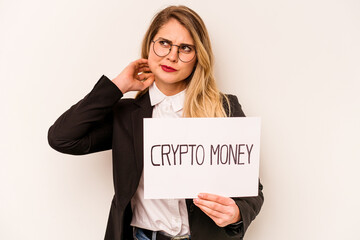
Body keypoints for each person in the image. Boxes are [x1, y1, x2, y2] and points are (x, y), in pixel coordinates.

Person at [48, 5, 263, 240]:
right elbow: (62, 137)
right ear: (150, 45)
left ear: (198, 56)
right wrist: (118, 85)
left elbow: (252, 190)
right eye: (164, 43)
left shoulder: (223, 108)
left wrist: (236, 214)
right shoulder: (126, 116)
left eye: (185, 48)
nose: (172, 56)